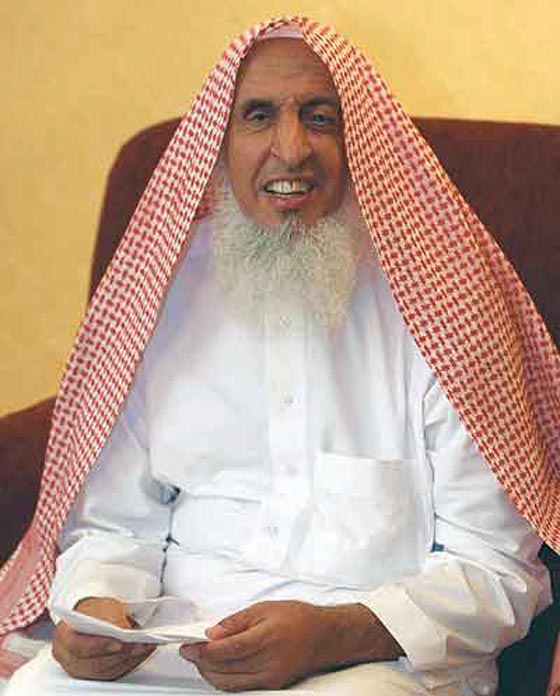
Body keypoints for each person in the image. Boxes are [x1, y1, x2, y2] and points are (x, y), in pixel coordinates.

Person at [1, 17, 559, 696]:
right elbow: (114, 525)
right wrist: (98, 609)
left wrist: (334, 633)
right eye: (259, 116)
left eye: (320, 118)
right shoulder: (161, 293)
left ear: (359, 141)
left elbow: (498, 570)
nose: (290, 149)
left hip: (373, 661)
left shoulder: (446, 302)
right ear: (220, 143)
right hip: (174, 649)